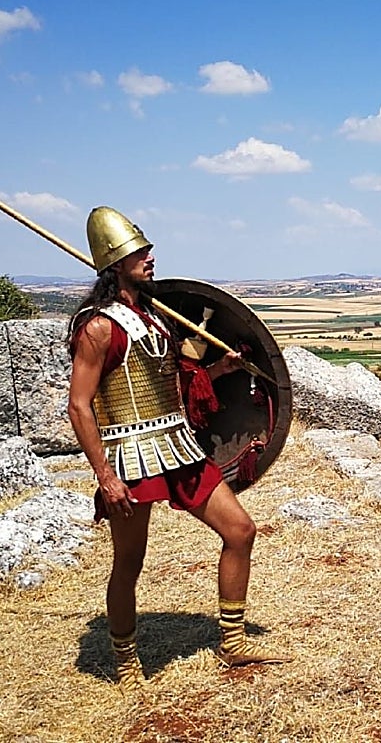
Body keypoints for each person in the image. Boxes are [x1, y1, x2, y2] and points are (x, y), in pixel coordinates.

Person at [67, 206, 287, 692]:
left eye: (147, 251)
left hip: (178, 445)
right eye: (139, 253)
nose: (149, 258)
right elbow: (80, 406)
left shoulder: (152, 316)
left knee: (241, 530)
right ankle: (125, 659)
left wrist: (219, 373)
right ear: (115, 263)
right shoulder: (98, 327)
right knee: (130, 560)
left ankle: (231, 643)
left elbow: (168, 389)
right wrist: (105, 475)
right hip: (130, 455)